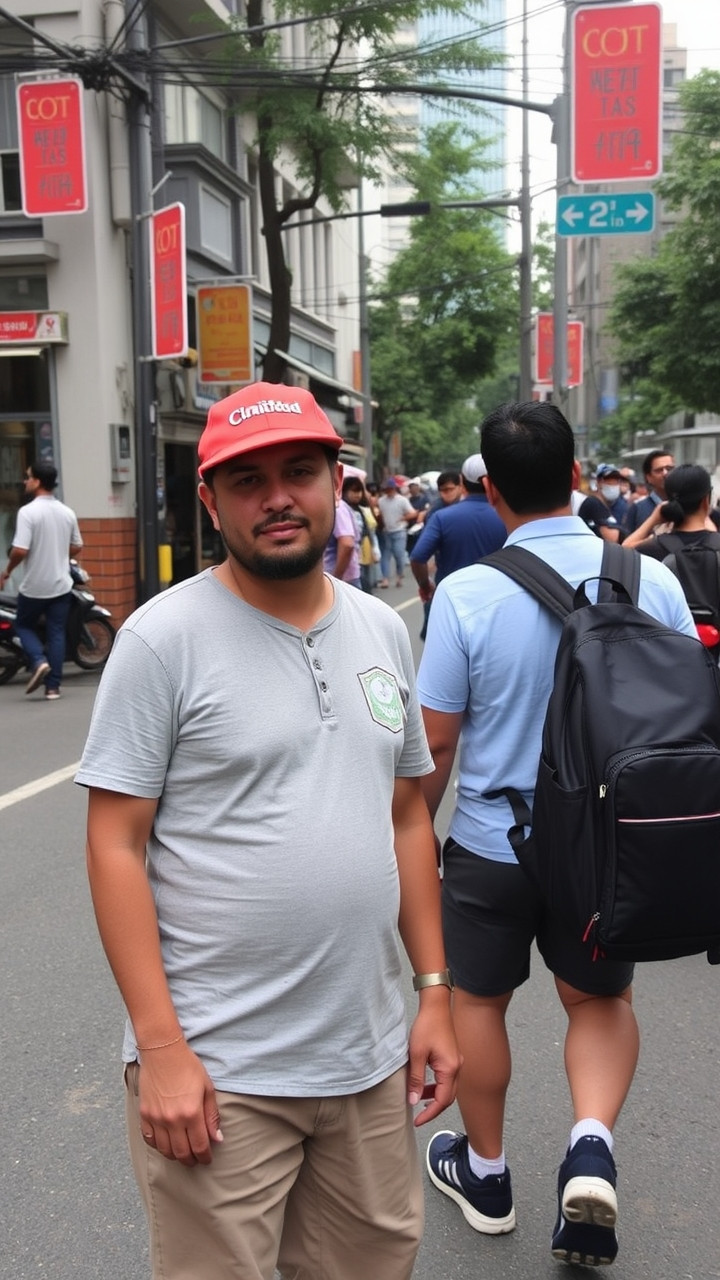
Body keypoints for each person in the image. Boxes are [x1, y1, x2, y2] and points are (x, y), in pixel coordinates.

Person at [77, 381, 460, 1280]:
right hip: (221, 1071)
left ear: (339, 482)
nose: (276, 497)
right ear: (210, 502)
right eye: (246, 481)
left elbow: (407, 813)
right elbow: (113, 846)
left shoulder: (379, 629)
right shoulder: (160, 641)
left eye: (298, 471)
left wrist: (434, 992)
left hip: (365, 1060)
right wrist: (163, 1051)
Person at [415, 401, 694, 1267]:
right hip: (607, 849)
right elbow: (685, 715)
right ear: (578, 475)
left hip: (494, 843)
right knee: (600, 1000)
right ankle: (589, 1148)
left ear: (489, 488)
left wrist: (412, 836)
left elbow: (435, 742)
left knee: (478, 1004)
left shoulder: (466, 593)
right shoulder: (652, 579)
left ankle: (488, 1174)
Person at [0, 462, 83, 700]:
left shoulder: (28, 512)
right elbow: (77, 546)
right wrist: (58, 552)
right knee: (57, 632)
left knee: (23, 625)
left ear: (37, 482)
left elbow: (19, 550)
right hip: (60, 585)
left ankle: (38, 661)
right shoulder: (66, 512)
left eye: (27, 478)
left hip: (35, 586)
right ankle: (53, 687)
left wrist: (7, 570)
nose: (25, 482)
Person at [410, 454, 506, 640]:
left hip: (452, 605)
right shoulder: (507, 517)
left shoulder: (442, 517)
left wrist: (425, 585)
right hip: (496, 605)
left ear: (462, 482)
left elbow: (418, 557)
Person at [342, 474, 380, 593]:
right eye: (353, 491)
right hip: (351, 552)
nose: (357, 494)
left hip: (365, 546)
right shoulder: (341, 510)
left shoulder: (361, 509)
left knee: (365, 577)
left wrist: (374, 548)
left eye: (359, 491)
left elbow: (368, 530)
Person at [622, 449, 675, 533]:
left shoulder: (687, 506)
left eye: (669, 469)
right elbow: (627, 543)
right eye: (659, 470)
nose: (665, 473)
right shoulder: (638, 509)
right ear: (648, 477)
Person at [377, 477, 415, 588]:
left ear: (394, 489)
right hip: (386, 531)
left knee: (399, 554)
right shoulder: (381, 501)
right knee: (385, 556)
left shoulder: (402, 500)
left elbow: (412, 513)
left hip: (399, 531)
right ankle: (385, 579)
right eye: (387, 489)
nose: (388, 491)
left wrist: (403, 518)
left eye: (390, 489)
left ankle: (399, 575)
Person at [323, 482, 360, 587]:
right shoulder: (332, 505)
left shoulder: (337, 508)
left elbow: (347, 544)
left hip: (342, 578)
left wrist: (336, 578)